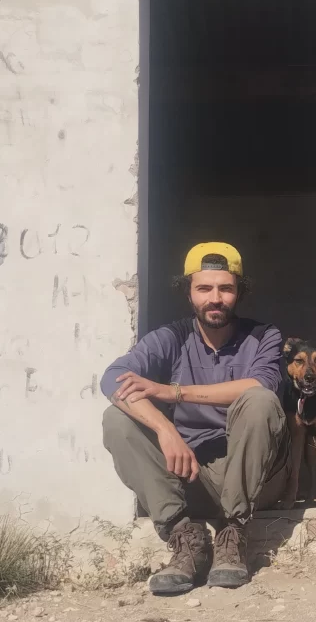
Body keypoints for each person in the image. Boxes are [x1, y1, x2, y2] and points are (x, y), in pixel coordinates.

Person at [100, 242, 290, 596]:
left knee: (259, 401)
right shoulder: (170, 338)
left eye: (226, 288)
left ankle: (233, 534)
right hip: (190, 476)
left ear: (239, 292)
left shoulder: (263, 336)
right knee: (116, 418)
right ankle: (184, 537)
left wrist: (172, 392)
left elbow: (261, 384)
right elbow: (112, 379)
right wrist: (164, 428)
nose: (215, 298)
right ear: (188, 293)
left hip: (252, 478)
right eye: (204, 288)